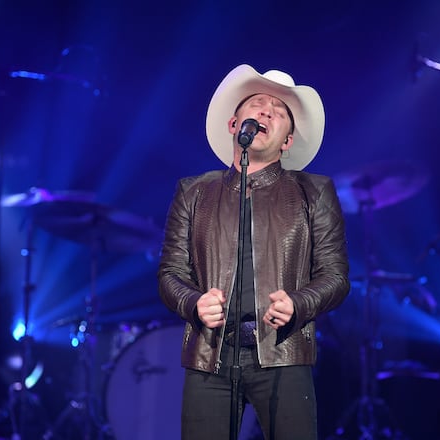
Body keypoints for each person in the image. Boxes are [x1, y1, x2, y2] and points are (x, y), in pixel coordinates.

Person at [157, 64, 350, 439]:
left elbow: (336, 276)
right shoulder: (195, 192)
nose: (266, 112)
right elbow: (169, 273)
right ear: (234, 125)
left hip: (283, 354)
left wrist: (300, 302)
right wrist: (194, 303)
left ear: (288, 141)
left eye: (278, 112)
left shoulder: (313, 192)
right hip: (209, 356)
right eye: (258, 104)